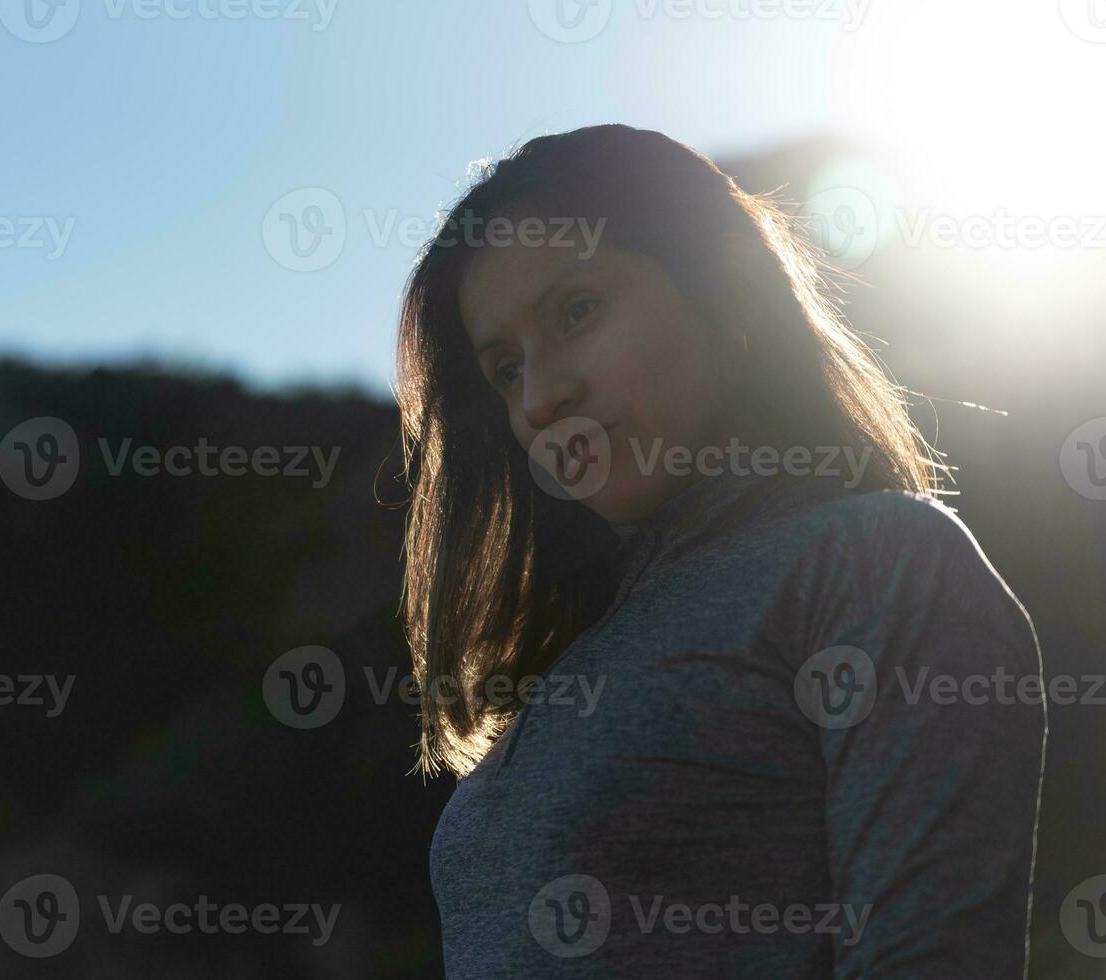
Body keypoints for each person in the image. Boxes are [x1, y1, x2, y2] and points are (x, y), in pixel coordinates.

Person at [393, 124, 1047, 978]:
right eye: (506, 368)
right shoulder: (569, 662)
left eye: (578, 311)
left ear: (729, 294)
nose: (545, 396)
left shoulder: (879, 566)